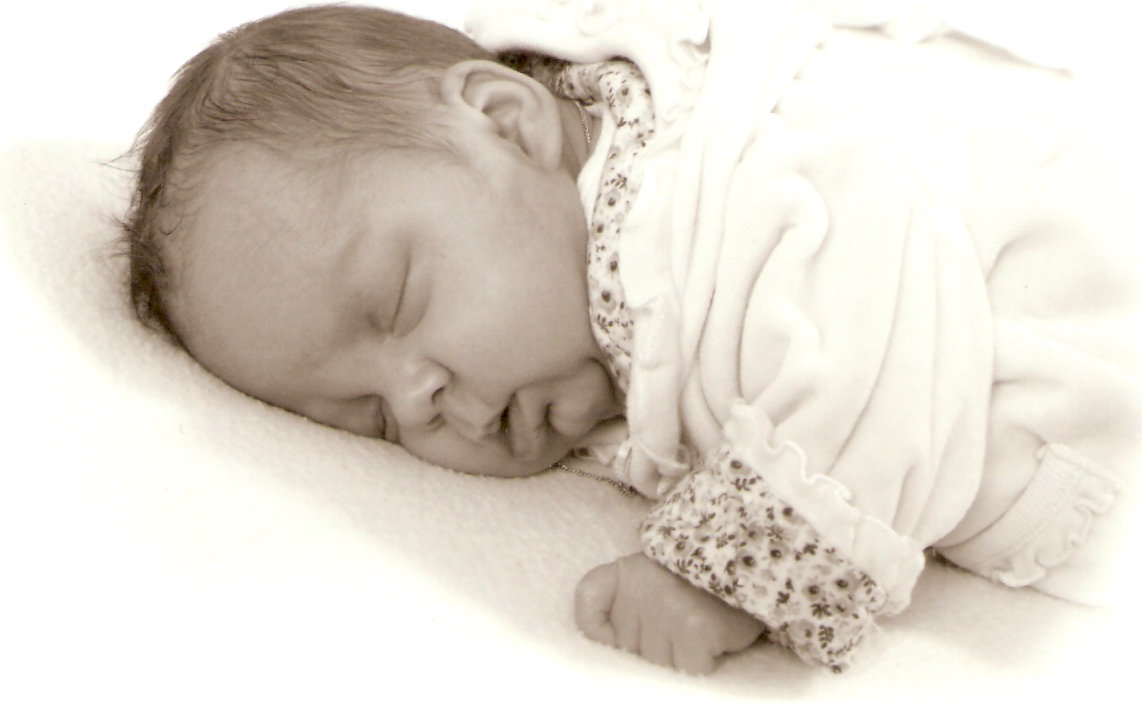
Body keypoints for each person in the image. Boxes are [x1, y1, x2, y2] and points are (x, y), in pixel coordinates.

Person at [121, 1, 1141, 674]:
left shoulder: (705, 189)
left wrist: (732, 567)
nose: (419, 398)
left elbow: (880, 319)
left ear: (505, 120)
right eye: (369, 417)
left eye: (395, 301)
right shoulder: (595, 298)